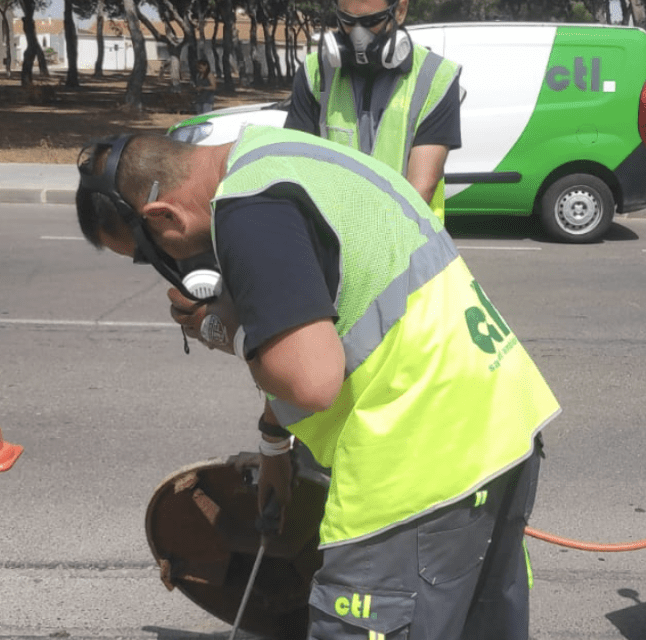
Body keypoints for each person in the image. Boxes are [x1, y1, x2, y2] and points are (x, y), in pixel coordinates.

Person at [74, 126, 559, 640]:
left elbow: (310, 380)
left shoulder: (249, 209)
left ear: (163, 216)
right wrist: (274, 444)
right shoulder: (283, 156)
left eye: (149, 255)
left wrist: (226, 330)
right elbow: (320, 310)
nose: (165, 268)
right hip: (501, 424)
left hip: (418, 463)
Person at [283, 0, 462, 220]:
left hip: (406, 246)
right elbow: (296, 171)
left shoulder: (436, 78)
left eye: (371, 21)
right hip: (331, 244)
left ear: (400, 11)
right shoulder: (315, 73)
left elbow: (420, 191)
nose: (358, 34)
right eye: (348, 20)